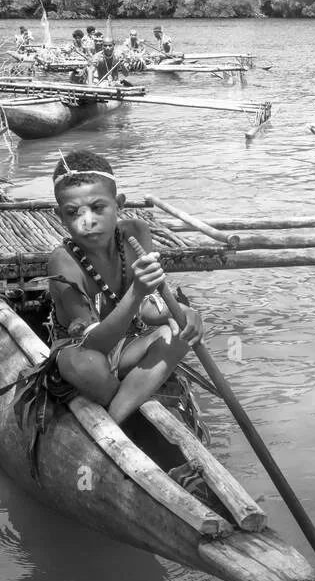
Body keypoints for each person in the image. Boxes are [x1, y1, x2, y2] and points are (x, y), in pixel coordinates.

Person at [42, 150, 205, 429]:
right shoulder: (62, 262)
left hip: (128, 345)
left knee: (179, 334)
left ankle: (114, 419)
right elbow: (93, 344)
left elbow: (147, 308)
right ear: (60, 216)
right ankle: (125, 410)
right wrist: (136, 292)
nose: (87, 221)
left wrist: (181, 312)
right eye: (73, 213)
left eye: (98, 208)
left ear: (118, 204)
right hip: (83, 351)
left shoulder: (136, 234)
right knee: (87, 365)